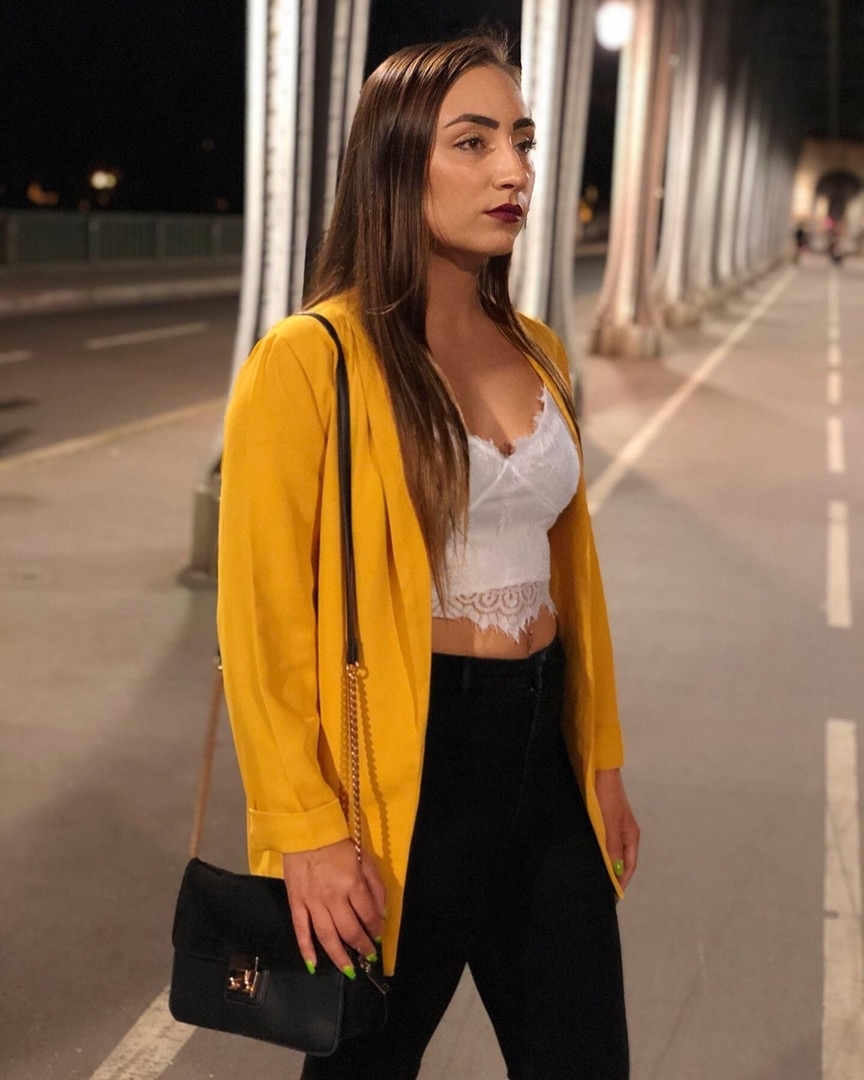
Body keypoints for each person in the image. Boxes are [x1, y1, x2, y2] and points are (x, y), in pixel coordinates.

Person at [217, 31, 640, 1080]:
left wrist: (601, 761)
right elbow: (263, 621)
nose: (514, 170)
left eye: (522, 140)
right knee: (364, 1067)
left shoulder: (539, 348)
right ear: (398, 163)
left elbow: (574, 577)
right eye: (473, 141)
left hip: (544, 762)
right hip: (400, 778)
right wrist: (306, 829)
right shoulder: (312, 359)